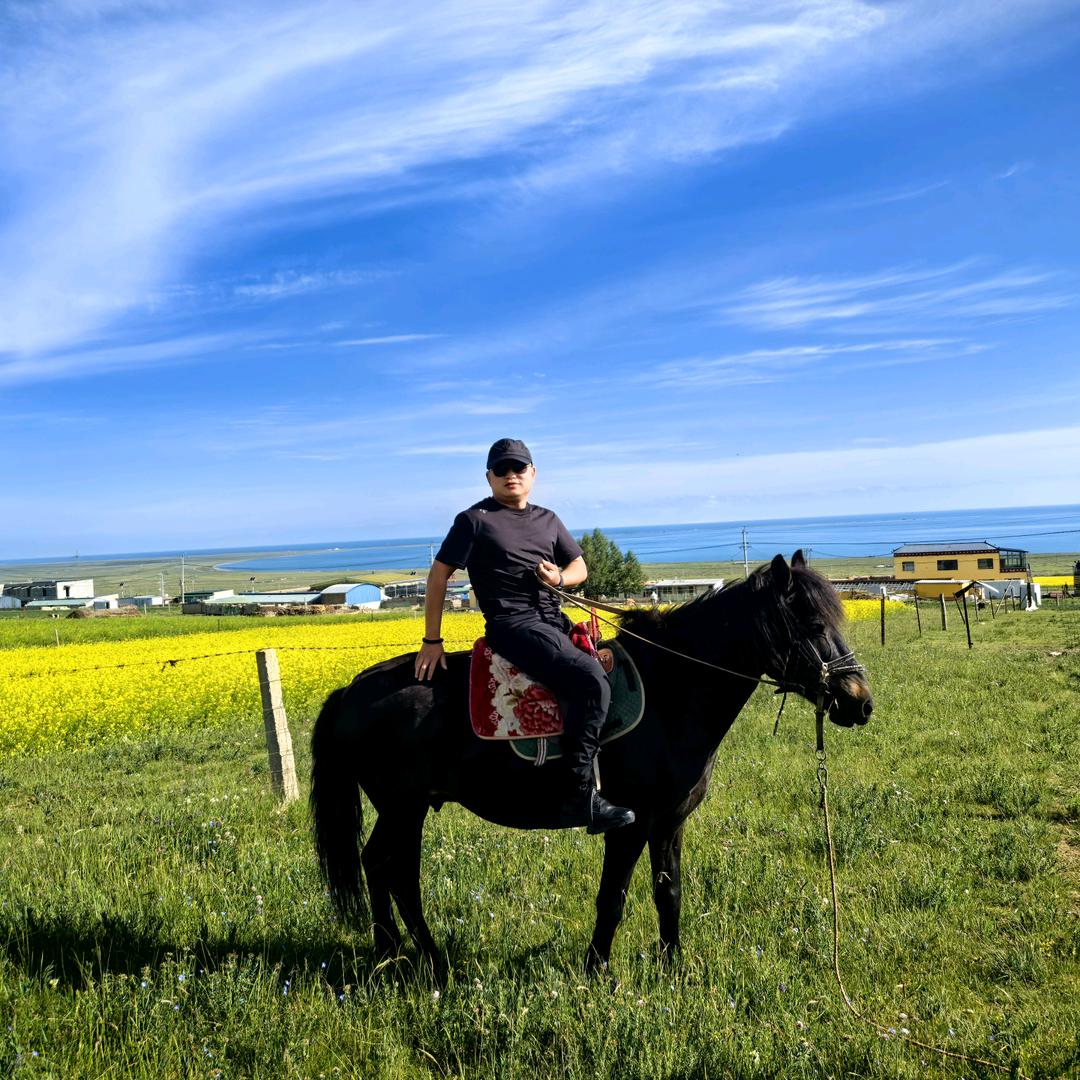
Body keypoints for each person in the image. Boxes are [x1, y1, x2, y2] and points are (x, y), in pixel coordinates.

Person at [414, 438, 636, 835]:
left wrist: (560, 578)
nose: (510, 475)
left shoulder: (548, 519)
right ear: (489, 477)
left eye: (518, 467)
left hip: (554, 621)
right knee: (590, 680)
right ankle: (578, 795)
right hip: (513, 626)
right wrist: (433, 640)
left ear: (533, 473)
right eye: (501, 469)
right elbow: (439, 575)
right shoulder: (474, 520)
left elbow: (580, 566)